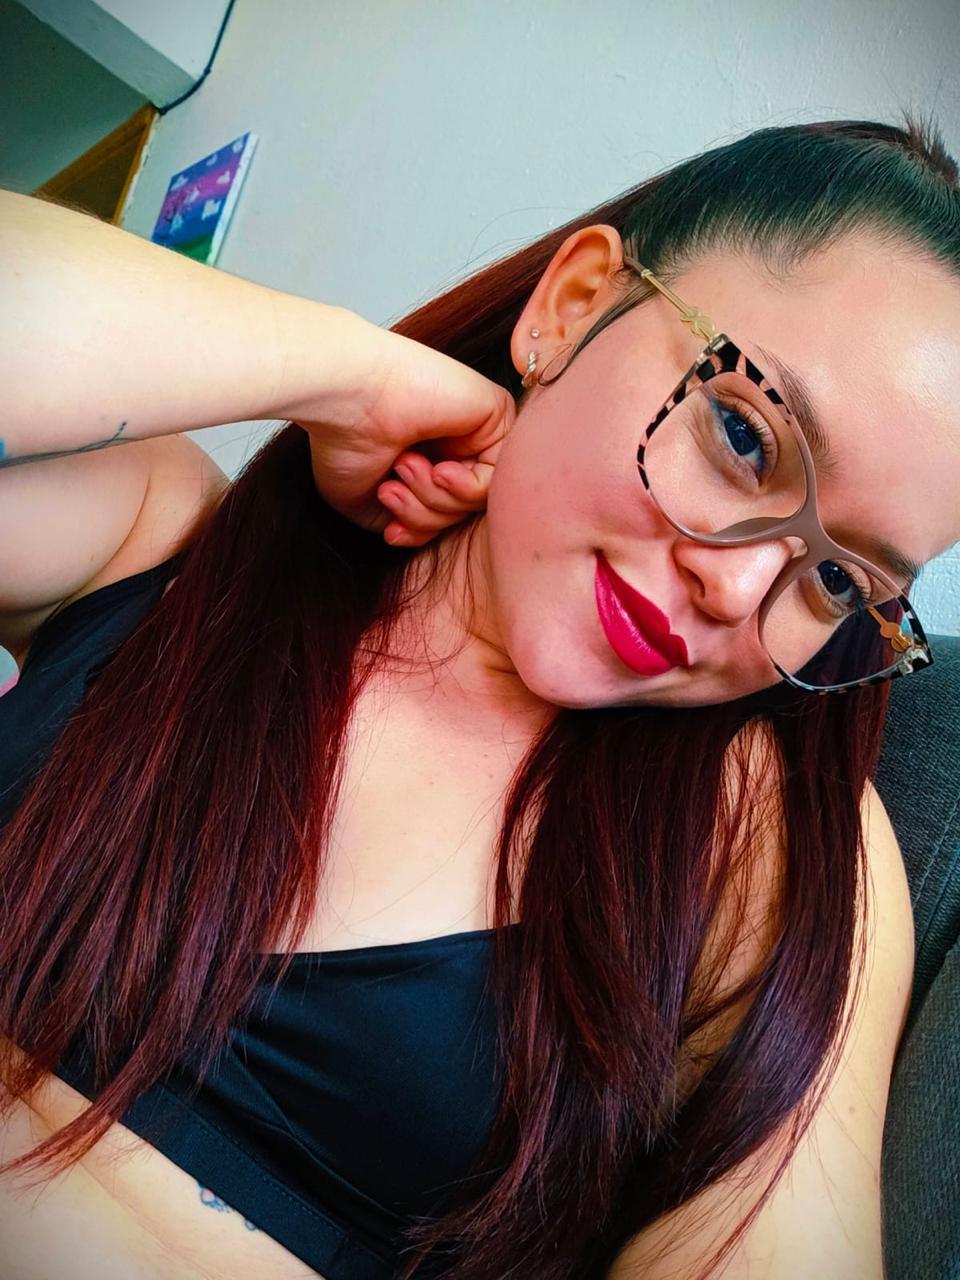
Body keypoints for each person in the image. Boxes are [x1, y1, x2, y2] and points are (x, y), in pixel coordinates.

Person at [0, 114, 957, 1280]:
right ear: (575, 302)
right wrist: (353, 371)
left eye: (840, 580)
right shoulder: (169, 548)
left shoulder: (768, 843)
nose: (741, 585)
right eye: (744, 436)